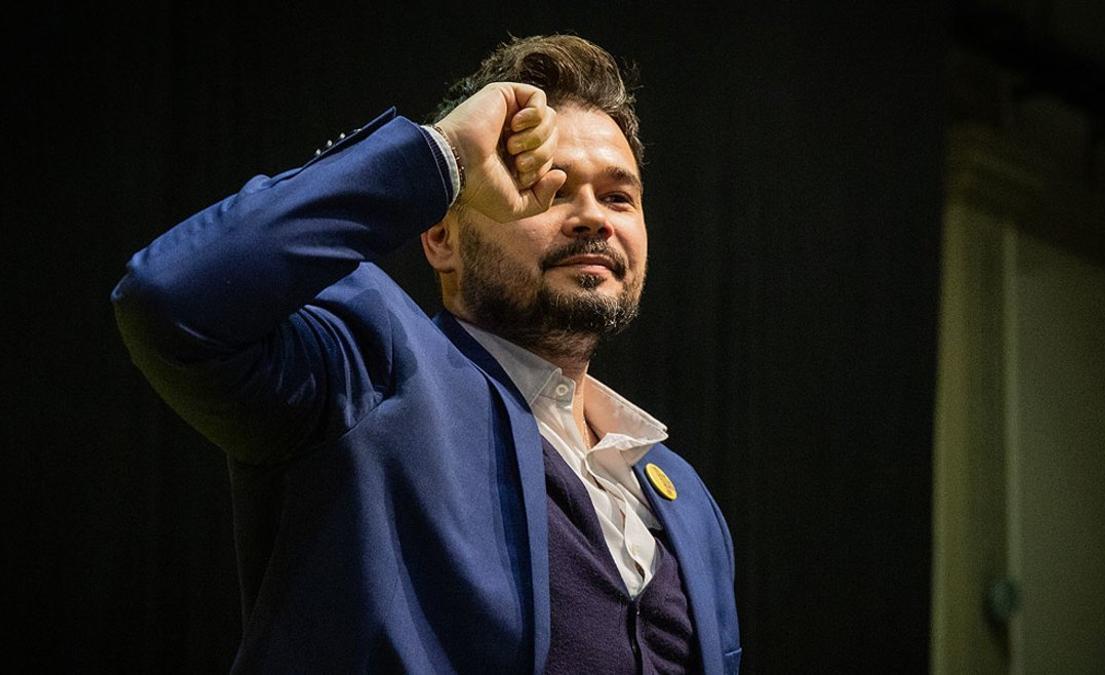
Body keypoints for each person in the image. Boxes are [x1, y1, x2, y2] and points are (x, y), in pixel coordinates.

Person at [112, 34, 740, 674]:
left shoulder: (679, 494)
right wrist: (441, 156)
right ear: (441, 238)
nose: (593, 218)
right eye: (547, 189)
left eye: (618, 197)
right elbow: (170, 298)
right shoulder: (368, 365)